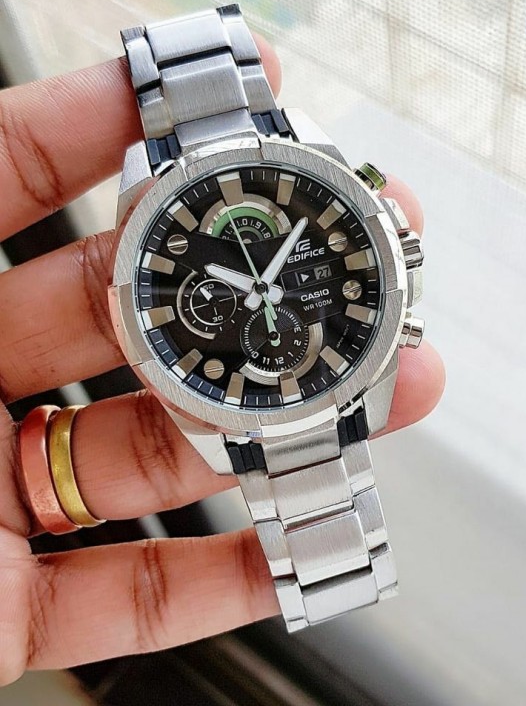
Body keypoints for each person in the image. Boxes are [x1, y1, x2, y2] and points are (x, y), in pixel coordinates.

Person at [0, 37, 445, 686]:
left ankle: (342, 570)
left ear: (395, 247)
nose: (264, 287)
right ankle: (336, 572)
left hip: (312, 384)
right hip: (247, 400)